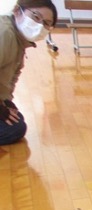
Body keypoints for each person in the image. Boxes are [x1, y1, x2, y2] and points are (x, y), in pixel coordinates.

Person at [0, 0, 57, 145]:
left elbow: (10, 78)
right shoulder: (4, 34)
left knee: (15, 120)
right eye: (36, 17)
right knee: (13, 129)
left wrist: (6, 102)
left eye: (46, 23)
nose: (40, 26)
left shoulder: (18, 39)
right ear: (17, 11)